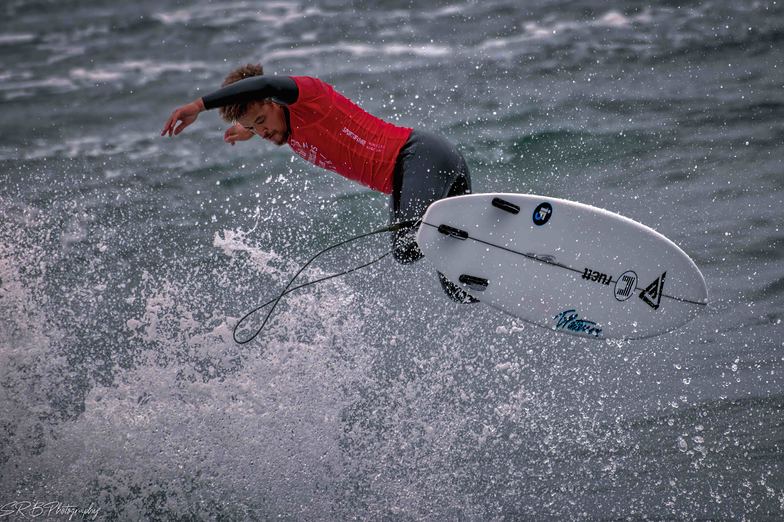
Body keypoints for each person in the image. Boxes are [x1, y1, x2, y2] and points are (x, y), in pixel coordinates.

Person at [161, 63, 476, 303]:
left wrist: (199, 106)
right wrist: (249, 129)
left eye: (261, 121)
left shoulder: (308, 97)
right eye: (253, 128)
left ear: (274, 102)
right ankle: (500, 256)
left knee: (412, 238)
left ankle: (471, 235)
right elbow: (265, 119)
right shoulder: (287, 127)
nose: (263, 132)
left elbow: (266, 83)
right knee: (451, 282)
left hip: (421, 158)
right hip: (408, 179)